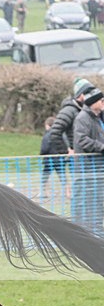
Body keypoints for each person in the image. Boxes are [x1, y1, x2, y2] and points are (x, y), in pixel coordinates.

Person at [72, 87, 104, 236]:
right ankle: (87, 236)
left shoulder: (98, 117)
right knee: (89, 207)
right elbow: (82, 140)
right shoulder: (83, 118)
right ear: (92, 102)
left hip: (98, 170)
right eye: (101, 100)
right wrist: (102, 147)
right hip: (88, 171)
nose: (103, 102)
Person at [47, 77, 95, 159]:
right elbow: (55, 132)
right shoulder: (69, 110)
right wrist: (66, 151)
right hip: (78, 158)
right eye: (89, 92)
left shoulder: (87, 109)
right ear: (81, 94)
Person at [39, 116, 70, 199]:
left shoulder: (47, 135)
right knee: (62, 175)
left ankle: (44, 192)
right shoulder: (62, 134)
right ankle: (68, 193)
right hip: (60, 158)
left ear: (48, 125)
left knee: (45, 176)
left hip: (49, 159)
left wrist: (42, 154)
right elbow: (66, 144)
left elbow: (44, 147)